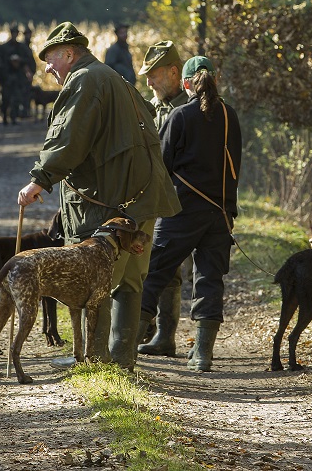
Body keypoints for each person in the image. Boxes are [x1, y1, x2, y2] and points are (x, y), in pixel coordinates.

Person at [17, 22, 181, 370]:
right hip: (141, 200)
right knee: (130, 280)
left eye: (50, 59)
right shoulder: (112, 77)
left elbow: (68, 140)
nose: (47, 69)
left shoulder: (83, 80)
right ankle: (121, 361)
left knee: (94, 278)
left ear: (69, 54)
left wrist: (39, 180)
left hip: (108, 204)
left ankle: (95, 361)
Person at [138, 56, 242, 371]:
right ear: (214, 80)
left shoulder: (179, 116)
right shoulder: (230, 116)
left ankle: (123, 351)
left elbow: (160, 168)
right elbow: (235, 168)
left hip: (180, 213)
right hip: (219, 213)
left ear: (186, 84)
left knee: (153, 274)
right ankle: (203, 355)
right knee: (210, 279)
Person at [135, 41, 190, 357]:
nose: (149, 82)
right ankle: (154, 332)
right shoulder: (151, 108)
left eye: (154, 75)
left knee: (178, 269)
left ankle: (169, 336)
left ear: (173, 72)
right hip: (151, 199)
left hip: (183, 202)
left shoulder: (193, 107)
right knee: (149, 265)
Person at [0, 26, 29, 124]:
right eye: (13, 33)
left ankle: (14, 117)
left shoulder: (21, 47)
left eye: (16, 33)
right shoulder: (4, 47)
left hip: (18, 75)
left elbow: (27, 59)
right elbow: (0, 61)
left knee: (16, 98)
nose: (14, 35)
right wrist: (9, 61)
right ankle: (4, 117)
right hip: (7, 75)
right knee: (5, 98)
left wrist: (19, 60)